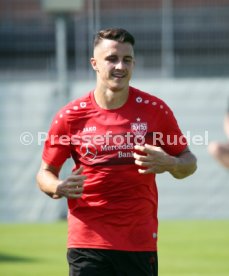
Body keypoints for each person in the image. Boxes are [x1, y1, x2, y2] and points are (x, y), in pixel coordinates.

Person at [36, 28, 197, 276]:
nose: (120, 66)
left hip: (138, 241)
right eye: (111, 59)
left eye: (127, 59)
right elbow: (45, 173)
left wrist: (170, 163)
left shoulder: (155, 110)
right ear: (95, 64)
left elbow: (189, 162)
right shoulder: (70, 116)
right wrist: (57, 187)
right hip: (87, 241)